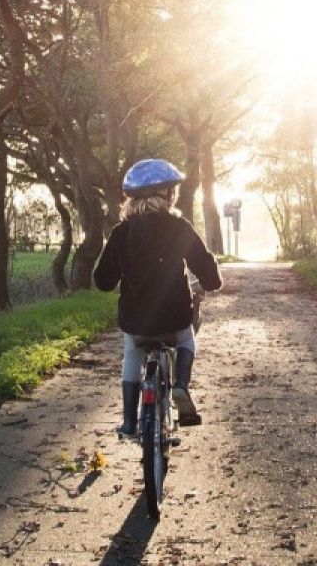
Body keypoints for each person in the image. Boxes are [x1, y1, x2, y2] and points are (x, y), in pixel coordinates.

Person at [94, 158, 223, 435]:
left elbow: (102, 281)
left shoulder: (120, 234)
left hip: (136, 322)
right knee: (187, 339)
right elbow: (209, 275)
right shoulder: (179, 228)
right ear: (167, 194)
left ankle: (129, 422)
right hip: (174, 318)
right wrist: (208, 281)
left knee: (132, 353)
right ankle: (180, 387)